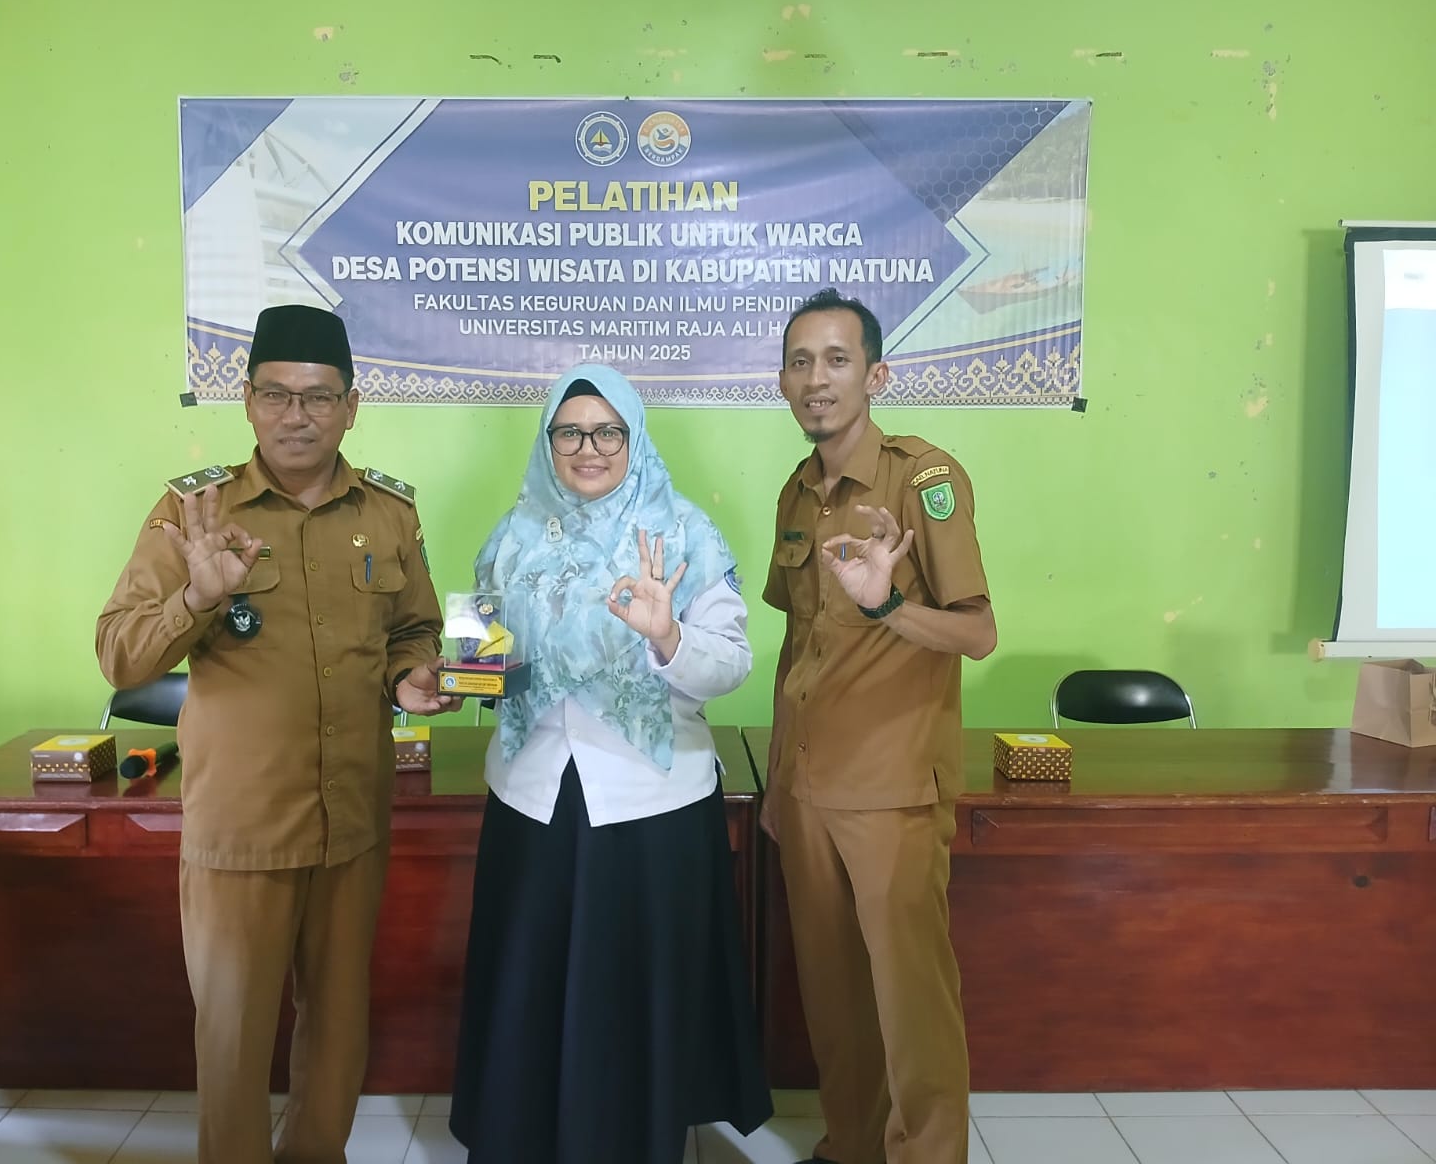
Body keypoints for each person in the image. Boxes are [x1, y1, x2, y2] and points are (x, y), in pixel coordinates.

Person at [96, 304, 458, 1164]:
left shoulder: (388, 513)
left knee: (337, 1025)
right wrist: (198, 595)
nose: (297, 415)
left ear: (351, 407)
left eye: (318, 397)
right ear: (249, 402)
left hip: (351, 818)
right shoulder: (194, 512)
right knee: (233, 1036)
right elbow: (120, 655)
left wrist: (410, 676)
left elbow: (414, 629)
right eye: (276, 395)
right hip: (244, 824)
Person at [449, 363, 772, 1164]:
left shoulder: (683, 533)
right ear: (548, 442)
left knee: (636, 996)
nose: (587, 448)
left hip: (650, 806)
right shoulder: (511, 536)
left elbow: (731, 664)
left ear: (634, 438)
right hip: (533, 800)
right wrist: (451, 676)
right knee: (530, 985)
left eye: (607, 432)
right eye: (569, 432)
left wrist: (668, 636)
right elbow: (481, 670)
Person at [763, 289, 997, 1164]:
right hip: (810, 788)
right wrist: (780, 784)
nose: (816, 379)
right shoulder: (797, 493)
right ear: (782, 381)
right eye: (799, 362)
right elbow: (797, 650)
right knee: (834, 996)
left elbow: (978, 633)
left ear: (876, 375)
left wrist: (888, 604)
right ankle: (853, 1145)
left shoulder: (923, 479)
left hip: (892, 787)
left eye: (837, 360)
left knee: (909, 1000)